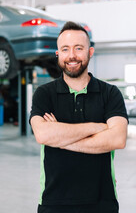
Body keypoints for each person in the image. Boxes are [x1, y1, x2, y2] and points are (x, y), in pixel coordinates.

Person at [30, 21, 128, 213]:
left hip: (102, 201)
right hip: (53, 201)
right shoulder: (44, 94)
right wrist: (97, 127)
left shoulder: (110, 93)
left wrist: (60, 138)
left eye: (78, 48)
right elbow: (43, 135)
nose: (72, 55)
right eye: (65, 49)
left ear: (90, 52)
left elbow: (118, 138)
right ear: (58, 54)